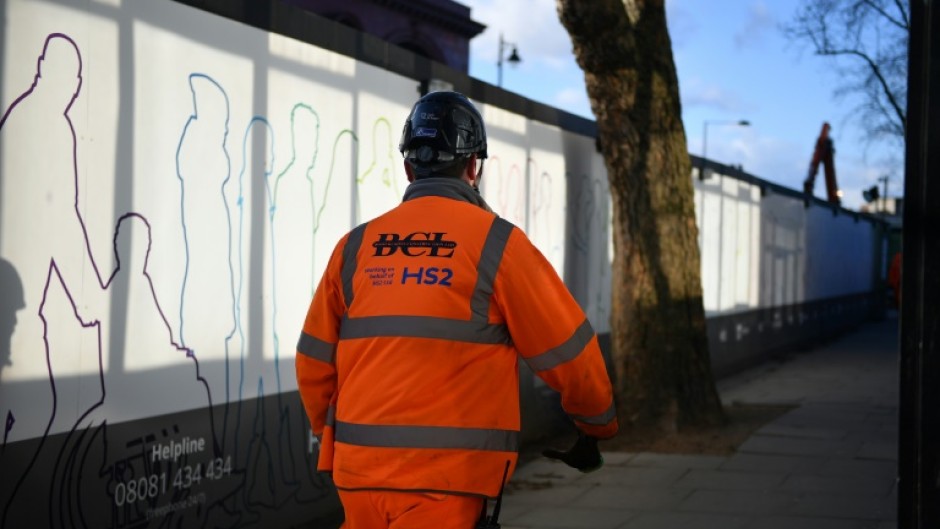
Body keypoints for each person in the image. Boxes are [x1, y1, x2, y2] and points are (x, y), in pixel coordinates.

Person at [295, 91, 618, 529]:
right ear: (474, 167)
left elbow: (313, 362)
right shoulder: (498, 244)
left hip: (358, 474)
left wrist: (336, 437)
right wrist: (595, 425)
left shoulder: (354, 247)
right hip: (447, 478)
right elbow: (569, 353)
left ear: (408, 167)